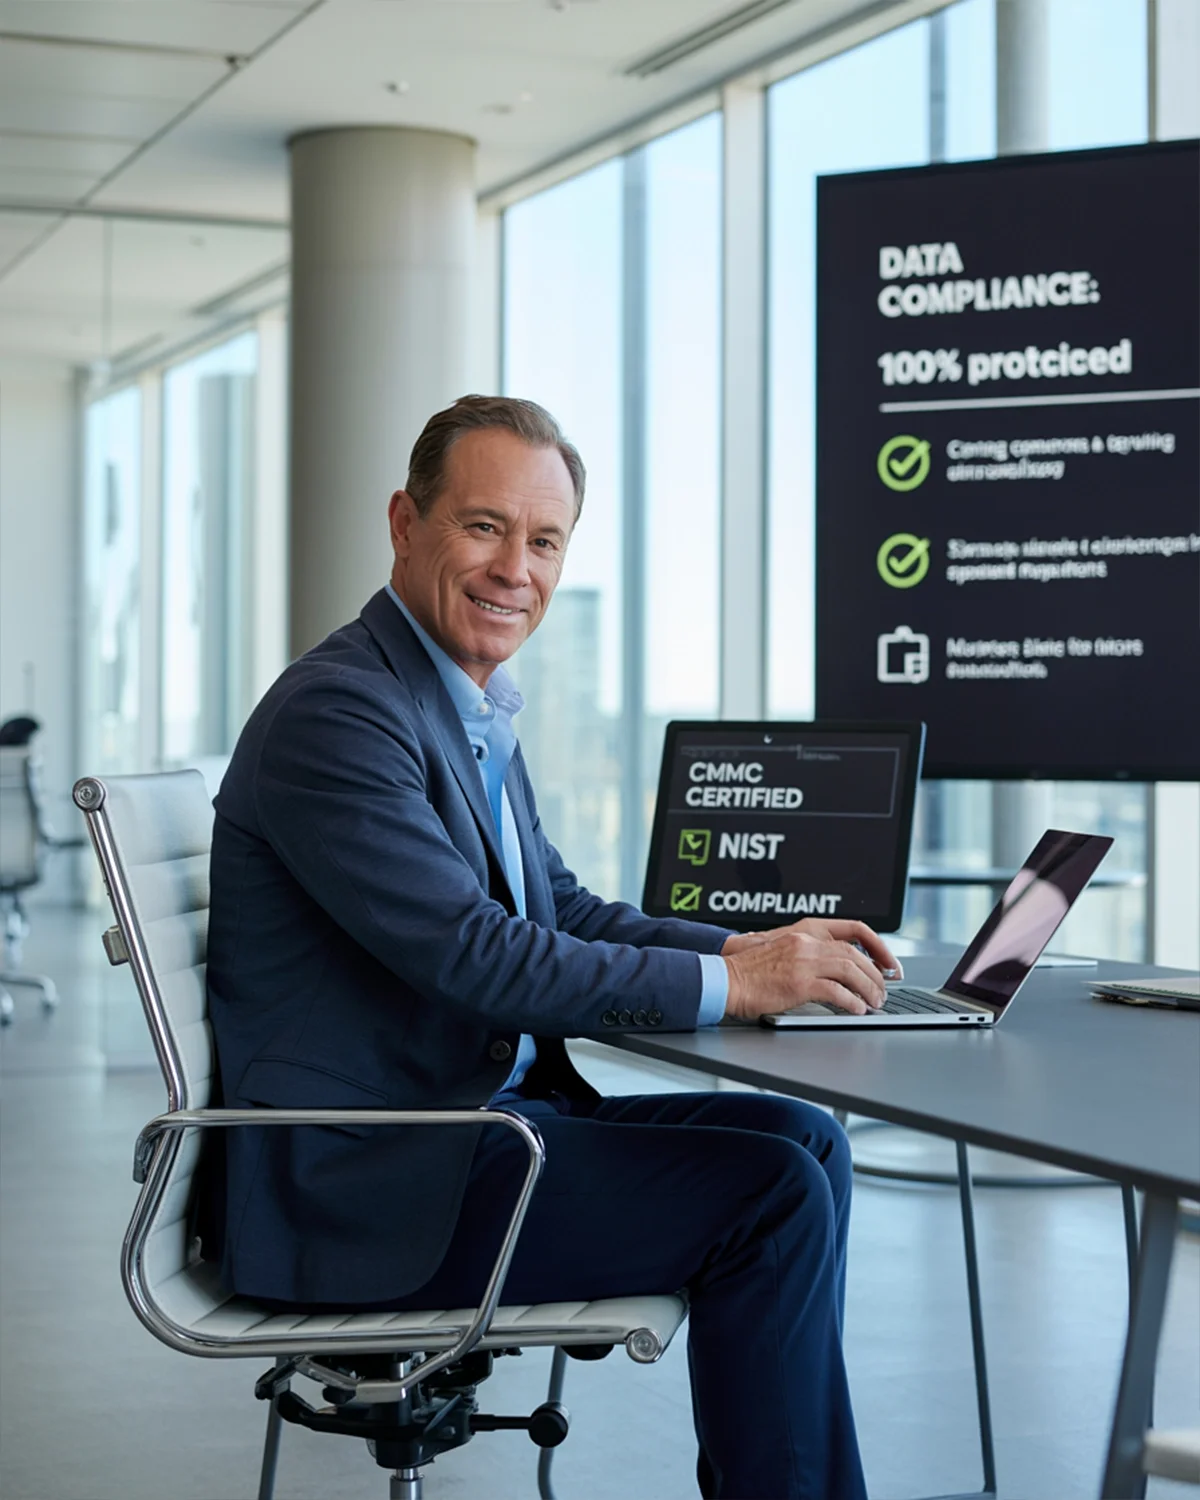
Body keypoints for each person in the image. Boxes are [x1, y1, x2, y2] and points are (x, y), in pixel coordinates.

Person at [206, 395, 901, 1500]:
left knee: (805, 1143)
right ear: (404, 521)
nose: (512, 570)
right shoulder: (341, 714)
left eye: (543, 542)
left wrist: (753, 948)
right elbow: (482, 958)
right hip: (374, 1188)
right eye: (484, 527)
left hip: (470, 1136)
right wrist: (733, 984)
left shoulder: (460, 701)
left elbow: (560, 912)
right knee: (768, 1194)